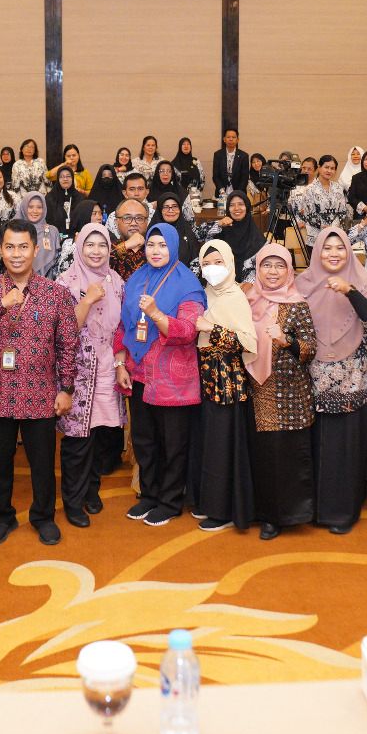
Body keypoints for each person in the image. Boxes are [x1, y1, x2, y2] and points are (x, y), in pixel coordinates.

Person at [0, 218, 80, 545]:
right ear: (0, 250)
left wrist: (66, 387)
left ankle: (43, 516)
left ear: (36, 249)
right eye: (9, 247)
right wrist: (1, 306)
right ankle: (1, 517)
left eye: (23, 247)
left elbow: (68, 343)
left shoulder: (56, 293)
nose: (16, 254)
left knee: (42, 464)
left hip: (41, 395)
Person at [293, 225, 367, 534]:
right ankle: (316, 509)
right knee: (316, 445)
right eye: (327, 248)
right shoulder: (302, 283)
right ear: (317, 251)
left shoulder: (361, 281)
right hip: (312, 379)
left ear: (349, 251)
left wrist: (350, 291)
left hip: (352, 380)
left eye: (340, 248)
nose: (333, 254)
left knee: (345, 447)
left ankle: (342, 512)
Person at [116, 223, 206, 527]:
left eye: (162, 245)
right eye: (151, 245)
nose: (156, 251)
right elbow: (122, 325)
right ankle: (150, 495)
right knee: (144, 440)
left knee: (173, 443)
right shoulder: (136, 278)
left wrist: (156, 314)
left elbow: (188, 330)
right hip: (138, 371)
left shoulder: (188, 283)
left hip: (173, 378)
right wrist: (120, 363)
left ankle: (169, 501)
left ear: (173, 247)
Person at [244, 243, 318, 540]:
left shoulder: (297, 303)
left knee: (284, 456)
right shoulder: (247, 300)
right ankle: (261, 513)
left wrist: (287, 341)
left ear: (289, 270)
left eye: (279, 266)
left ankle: (284, 516)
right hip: (253, 392)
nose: (272, 272)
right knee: (260, 456)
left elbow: (311, 348)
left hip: (288, 396)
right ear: (258, 268)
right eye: (267, 265)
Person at [55, 223, 124, 525]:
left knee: (99, 435)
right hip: (76, 370)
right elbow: (63, 330)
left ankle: (91, 491)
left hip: (107, 366)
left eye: (102, 245)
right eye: (89, 245)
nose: (96, 252)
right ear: (79, 247)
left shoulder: (117, 281)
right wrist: (86, 300)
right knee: (76, 439)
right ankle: (72, 500)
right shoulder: (64, 282)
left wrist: (120, 363)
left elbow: (121, 328)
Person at [194, 239, 259, 532]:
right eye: (206, 264)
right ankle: (208, 502)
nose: (212, 269)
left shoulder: (235, 296)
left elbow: (248, 343)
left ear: (230, 264)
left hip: (228, 383)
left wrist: (213, 329)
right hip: (205, 379)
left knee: (224, 445)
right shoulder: (203, 294)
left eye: (218, 263)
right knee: (209, 443)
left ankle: (225, 510)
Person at [199, 190, 263, 283]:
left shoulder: (256, 236)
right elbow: (198, 235)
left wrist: (249, 282)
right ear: (227, 208)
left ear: (247, 207)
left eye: (240, 204)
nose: (236, 208)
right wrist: (219, 224)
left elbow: (260, 267)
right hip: (218, 283)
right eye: (232, 205)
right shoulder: (220, 230)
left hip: (244, 288)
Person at [290, 155, 349, 249]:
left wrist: (333, 227)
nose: (329, 170)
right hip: (315, 237)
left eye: (332, 168)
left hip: (335, 235)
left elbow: (342, 212)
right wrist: (324, 227)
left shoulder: (338, 188)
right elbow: (308, 214)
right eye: (326, 167)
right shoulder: (310, 189)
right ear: (319, 168)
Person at [13, 192, 64, 279]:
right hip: (18, 281)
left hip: (47, 284)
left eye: (39, 207)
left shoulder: (52, 231)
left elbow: (57, 262)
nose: (35, 211)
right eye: (30, 207)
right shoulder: (14, 230)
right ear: (24, 208)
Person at [110, 198, 150, 280]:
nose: (134, 223)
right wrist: (126, 245)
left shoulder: (155, 247)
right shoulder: (107, 247)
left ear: (147, 222)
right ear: (116, 222)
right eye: (127, 218)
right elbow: (97, 265)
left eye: (139, 218)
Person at [46, 164, 86, 236]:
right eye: (61, 177)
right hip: (55, 237)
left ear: (72, 178)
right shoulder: (50, 198)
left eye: (68, 176)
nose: (65, 179)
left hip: (75, 238)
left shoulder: (80, 198)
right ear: (58, 179)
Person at [212, 128, 250, 199]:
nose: (231, 139)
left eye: (233, 137)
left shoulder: (244, 156)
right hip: (221, 193)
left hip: (239, 194)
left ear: (237, 140)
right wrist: (222, 190)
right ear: (224, 139)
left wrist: (237, 193)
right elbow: (215, 176)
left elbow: (245, 178)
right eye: (228, 137)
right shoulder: (218, 155)